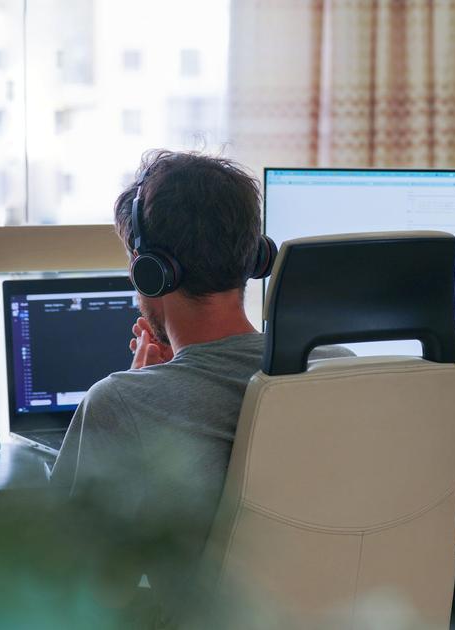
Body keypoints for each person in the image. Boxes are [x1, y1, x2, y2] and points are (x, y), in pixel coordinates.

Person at [48, 150, 350, 622]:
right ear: (255, 255)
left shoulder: (122, 403)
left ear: (149, 270)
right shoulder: (337, 369)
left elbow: (66, 593)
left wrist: (139, 389)